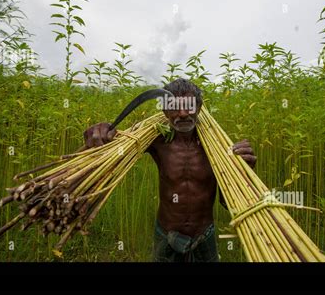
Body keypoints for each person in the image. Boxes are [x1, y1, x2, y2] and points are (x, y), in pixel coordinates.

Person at [83, 78, 256, 262]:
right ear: (165, 111)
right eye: (174, 107)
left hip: (204, 236)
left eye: (189, 106)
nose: (182, 114)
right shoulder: (157, 140)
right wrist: (101, 136)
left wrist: (243, 171)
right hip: (166, 235)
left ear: (199, 107)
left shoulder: (217, 145)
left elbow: (226, 202)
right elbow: (116, 147)